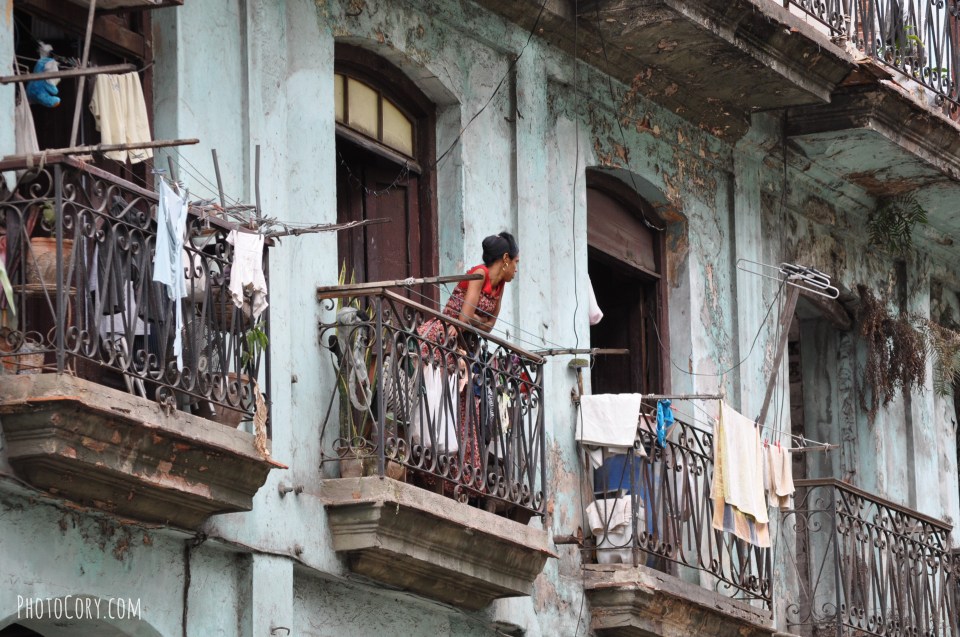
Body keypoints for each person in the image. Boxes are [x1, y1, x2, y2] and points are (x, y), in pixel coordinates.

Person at [414, 232, 520, 496]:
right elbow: (462, 319)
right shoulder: (480, 274)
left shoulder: (500, 285)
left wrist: (474, 323)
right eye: (516, 262)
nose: (517, 269)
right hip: (443, 341)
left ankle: (453, 481)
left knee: (462, 414)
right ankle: (426, 469)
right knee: (440, 406)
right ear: (505, 259)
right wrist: (475, 323)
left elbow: (489, 325)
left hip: (462, 348)